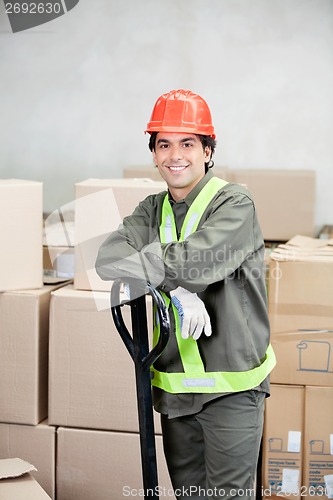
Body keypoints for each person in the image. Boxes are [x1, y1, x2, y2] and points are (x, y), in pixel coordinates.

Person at [95, 89, 276, 500]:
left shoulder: (235, 203)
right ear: (155, 155)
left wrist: (165, 275)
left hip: (231, 389)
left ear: (208, 151)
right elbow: (107, 259)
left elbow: (196, 260)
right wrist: (175, 288)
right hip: (175, 389)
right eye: (164, 144)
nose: (176, 154)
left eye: (188, 143)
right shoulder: (150, 209)